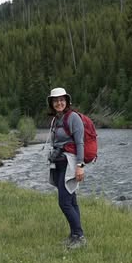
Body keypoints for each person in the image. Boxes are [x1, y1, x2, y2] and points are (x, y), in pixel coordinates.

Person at [47, 87, 86, 248]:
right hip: (59, 164)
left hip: (70, 164)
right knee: (71, 200)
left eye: (62, 100)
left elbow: (80, 143)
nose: (59, 103)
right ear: (52, 103)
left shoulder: (73, 118)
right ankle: (74, 234)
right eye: (56, 100)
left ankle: (80, 237)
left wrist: (80, 165)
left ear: (67, 101)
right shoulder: (56, 119)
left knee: (64, 202)